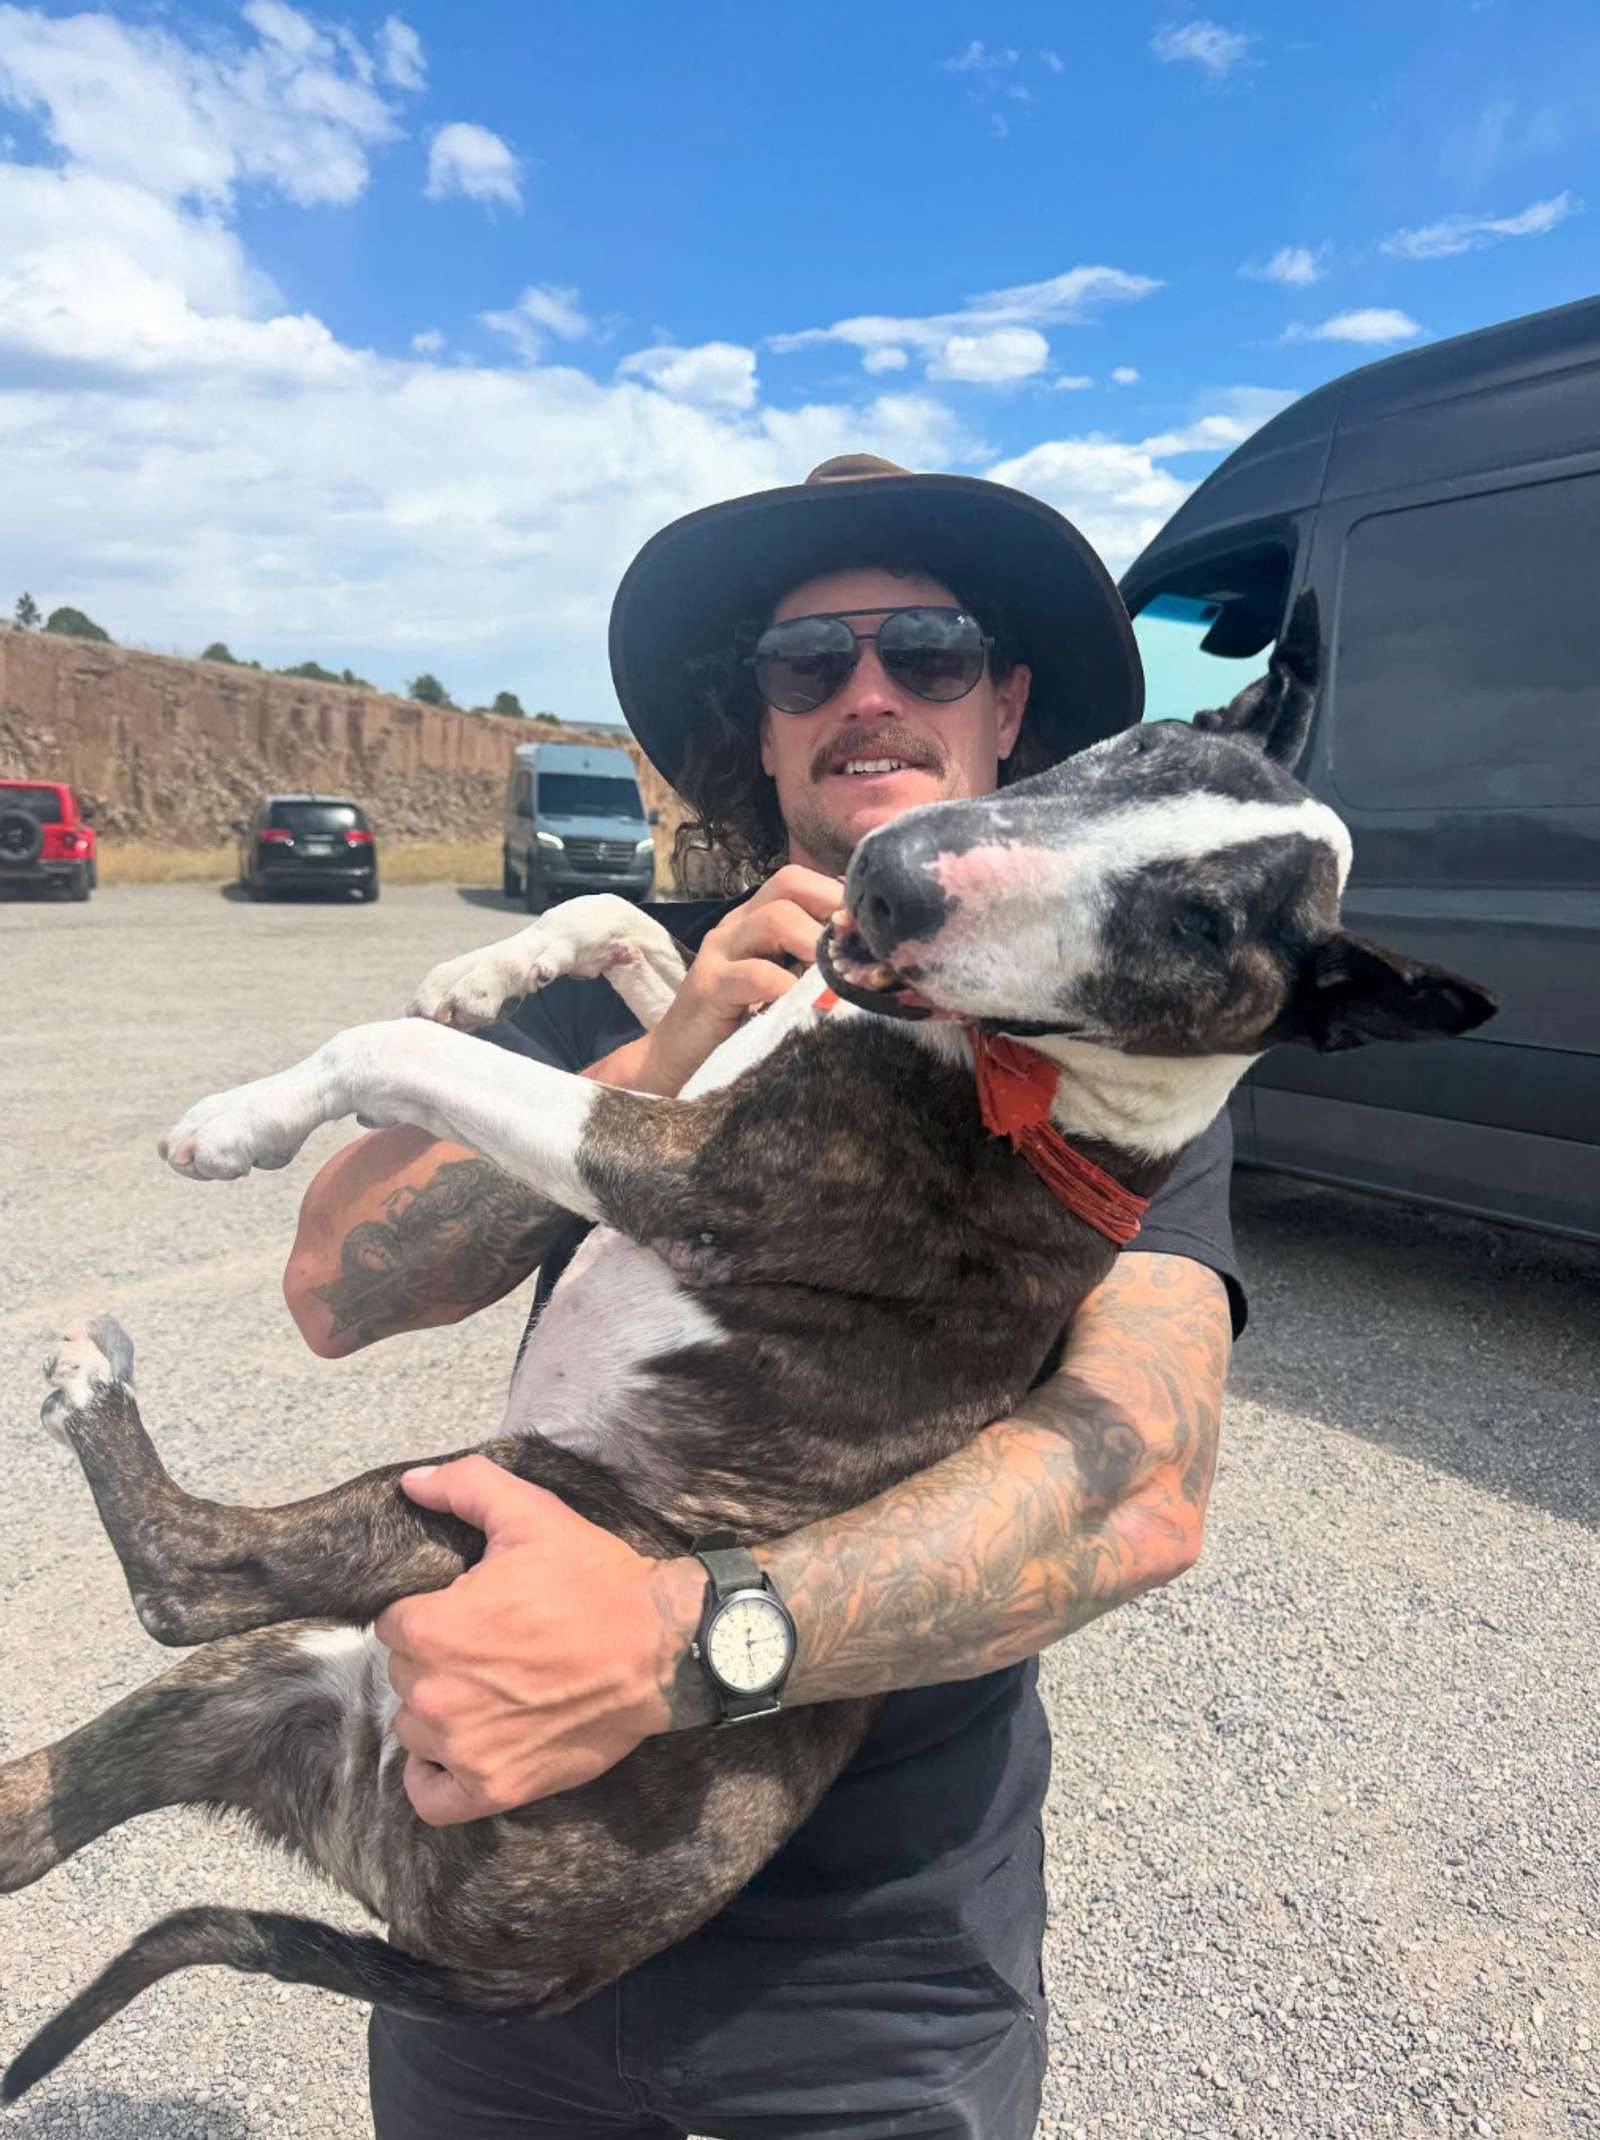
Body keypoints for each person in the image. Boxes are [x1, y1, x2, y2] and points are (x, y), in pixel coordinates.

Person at [284, 456, 1245, 2140]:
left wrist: (683, 1643)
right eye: (812, 664)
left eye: (930, 651)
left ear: (1005, 710)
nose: (869, 694)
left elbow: (1143, 1479)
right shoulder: (634, 972)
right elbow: (336, 1288)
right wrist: (667, 1058)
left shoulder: (1110, 1050)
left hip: (872, 1981)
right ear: (767, 721)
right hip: (497, 1915)